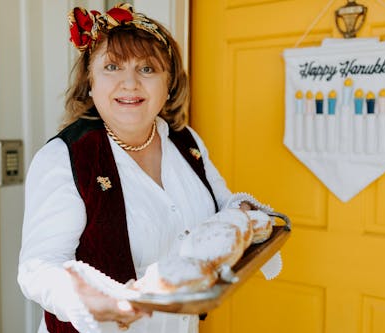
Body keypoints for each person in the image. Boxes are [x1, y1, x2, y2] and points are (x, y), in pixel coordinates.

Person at [18, 3, 259, 333]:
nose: (129, 83)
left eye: (147, 69)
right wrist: (90, 300)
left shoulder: (186, 141)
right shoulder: (65, 157)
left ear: (169, 82)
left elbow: (224, 206)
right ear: (90, 81)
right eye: (112, 67)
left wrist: (245, 214)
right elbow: (38, 267)